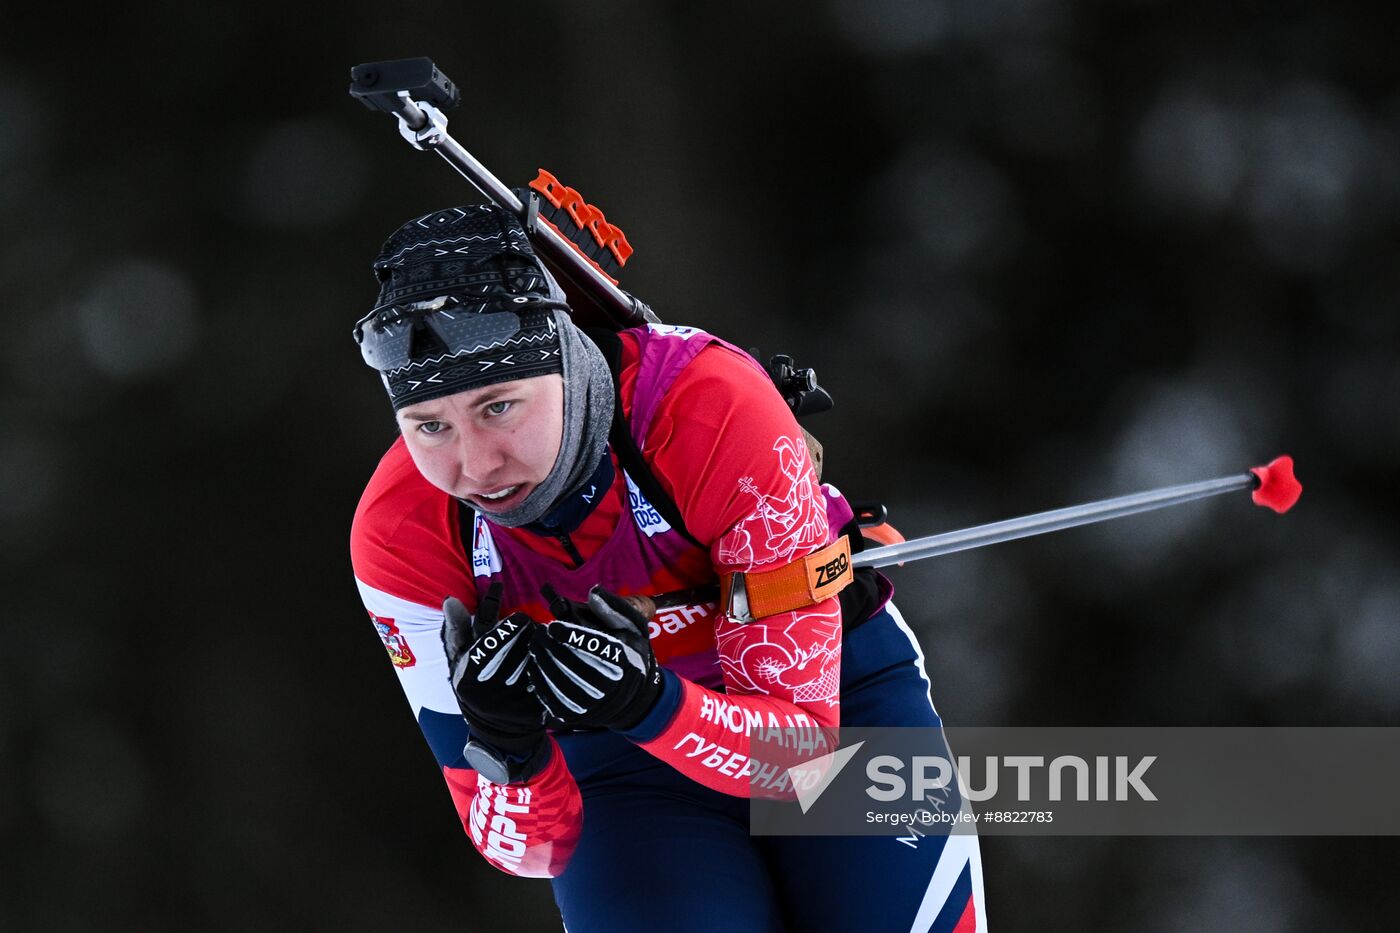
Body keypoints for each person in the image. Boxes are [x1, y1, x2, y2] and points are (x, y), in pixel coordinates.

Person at [349, 203, 987, 932]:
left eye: (500, 407)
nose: (475, 465)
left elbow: (803, 760)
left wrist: (654, 704)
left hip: (841, 717)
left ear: (565, 358)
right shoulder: (403, 531)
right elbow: (522, 850)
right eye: (429, 425)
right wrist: (510, 750)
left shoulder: (706, 407)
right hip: (621, 775)